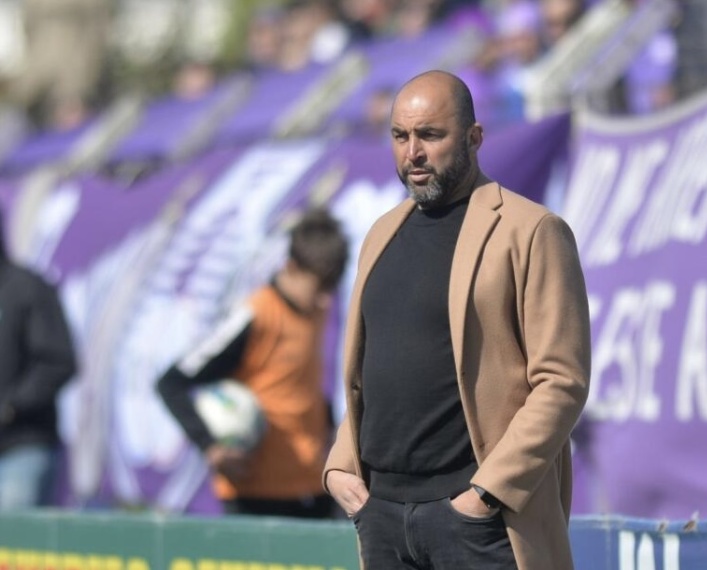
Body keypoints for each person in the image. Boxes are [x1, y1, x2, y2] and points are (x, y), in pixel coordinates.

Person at [324, 70, 591, 569]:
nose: (413, 153)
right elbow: (369, 373)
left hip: (476, 523)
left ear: (474, 137)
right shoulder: (381, 234)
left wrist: (487, 494)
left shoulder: (532, 230)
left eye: (430, 135)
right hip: (382, 516)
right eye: (400, 136)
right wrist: (342, 466)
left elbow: (562, 381)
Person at [157, 207, 349, 518]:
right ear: (291, 268)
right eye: (319, 287)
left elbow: (299, 388)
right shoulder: (254, 314)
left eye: (332, 288)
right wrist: (212, 447)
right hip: (255, 493)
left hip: (313, 484)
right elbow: (171, 383)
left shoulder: (316, 310)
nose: (326, 300)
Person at [0, 211, 77, 510]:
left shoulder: (26, 288)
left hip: (21, 446)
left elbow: (58, 361)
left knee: (12, 536)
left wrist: (11, 406)